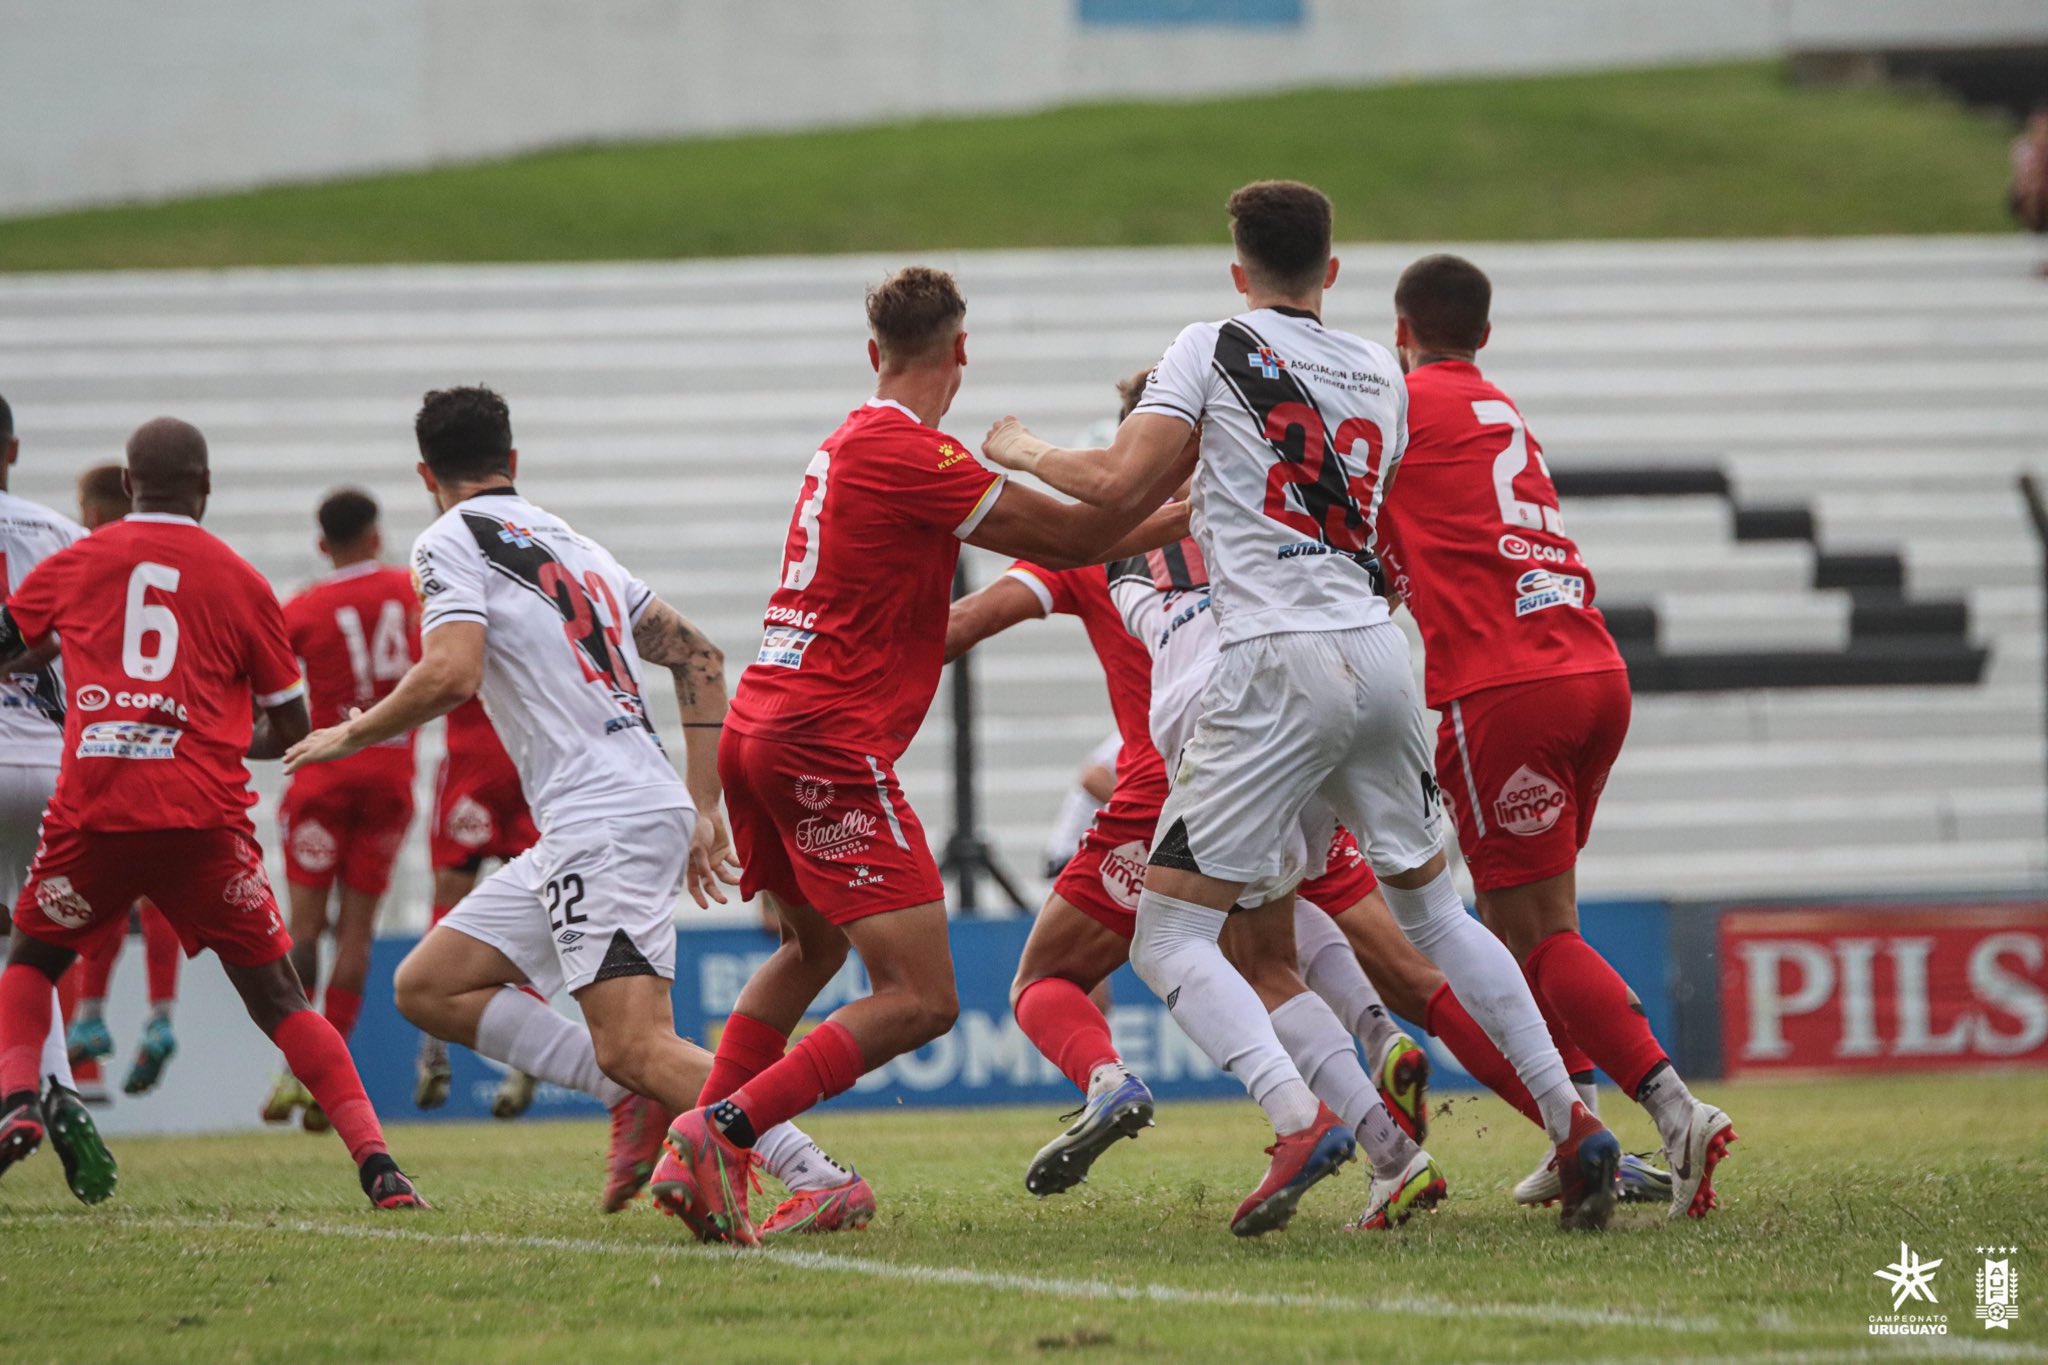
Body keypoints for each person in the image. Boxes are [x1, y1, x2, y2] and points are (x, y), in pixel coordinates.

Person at [979, 180, 1625, 1233]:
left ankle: (1298, 1120)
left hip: (1269, 664)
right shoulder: (1381, 366)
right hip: (1377, 655)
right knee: (1432, 916)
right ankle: (1570, 1122)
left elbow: (1109, 489)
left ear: (1238, 270)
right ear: (1331, 271)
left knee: (1170, 933)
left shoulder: (1211, 342)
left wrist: (1019, 450)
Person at [651, 266, 1192, 1244]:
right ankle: (715, 1130)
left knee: (808, 948)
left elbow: (1070, 550)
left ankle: (702, 1159)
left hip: (760, 726)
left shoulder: (847, 442)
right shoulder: (913, 454)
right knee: (921, 999)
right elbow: (1079, 531)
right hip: (824, 739)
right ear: (962, 353)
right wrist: (1181, 492)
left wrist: (1178, 516)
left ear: (873, 355)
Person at [284, 387, 863, 1228]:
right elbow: (700, 655)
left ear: (425, 475)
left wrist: (351, 731)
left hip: (605, 818)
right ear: (512, 463)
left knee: (637, 1043)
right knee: (430, 983)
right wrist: (703, 803)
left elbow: (452, 671)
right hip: (615, 809)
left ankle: (814, 1171)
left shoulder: (446, 539)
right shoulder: (577, 545)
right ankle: (625, 1097)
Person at [1377, 253, 1732, 1218]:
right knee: (1520, 925)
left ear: (1400, 332)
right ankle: (1570, 1119)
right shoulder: (1501, 408)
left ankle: (1674, 1111)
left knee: (1534, 937)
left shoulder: (1399, 410)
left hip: (1504, 686)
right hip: (1590, 668)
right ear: (1483, 336)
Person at [0, 417, 423, 1209]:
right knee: (282, 1001)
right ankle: (379, 1165)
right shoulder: (241, 579)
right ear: (206, 489)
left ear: (127, 487)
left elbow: (9, 640)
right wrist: (217, 731)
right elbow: (293, 730)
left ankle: (19, 1096)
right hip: (203, 821)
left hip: (94, 812)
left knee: (30, 959)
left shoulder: (77, 560)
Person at [260, 489, 421, 1131]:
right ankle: (336, 1078)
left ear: (323, 545)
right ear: (376, 537)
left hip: (323, 772)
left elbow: (263, 681)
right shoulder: (412, 593)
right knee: (356, 935)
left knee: (303, 929)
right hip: (391, 775)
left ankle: (296, 1070)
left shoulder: (304, 606)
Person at [0, 397, 118, 1202]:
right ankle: (60, 1092)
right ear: (11, 448)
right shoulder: (61, 535)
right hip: (56, 758)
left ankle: (21, 1099)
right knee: (29, 947)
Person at [60, 463, 184, 1101]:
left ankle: (85, 1019)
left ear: (93, 509)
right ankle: (158, 1015)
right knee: (153, 887)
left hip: (102, 747)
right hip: (172, 747)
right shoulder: (175, 561)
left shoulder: (85, 561)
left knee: (89, 889)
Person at [412, 696, 541, 1115]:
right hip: (527, 762)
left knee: (449, 905)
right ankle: (531, 1048)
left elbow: (440, 672)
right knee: (539, 908)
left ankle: (434, 1046)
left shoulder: (450, 625)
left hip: (471, 760)